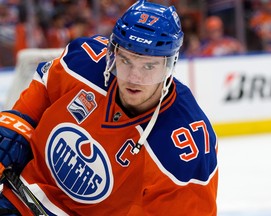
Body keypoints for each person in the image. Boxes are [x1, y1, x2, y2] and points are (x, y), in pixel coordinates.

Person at [0, 0, 218, 215]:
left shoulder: (186, 147)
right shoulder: (83, 62)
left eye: (149, 66)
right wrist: (17, 126)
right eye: (126, 61)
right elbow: (36, 101)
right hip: (16, 198)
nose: (134, 77)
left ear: (169, 65)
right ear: (113, 54)